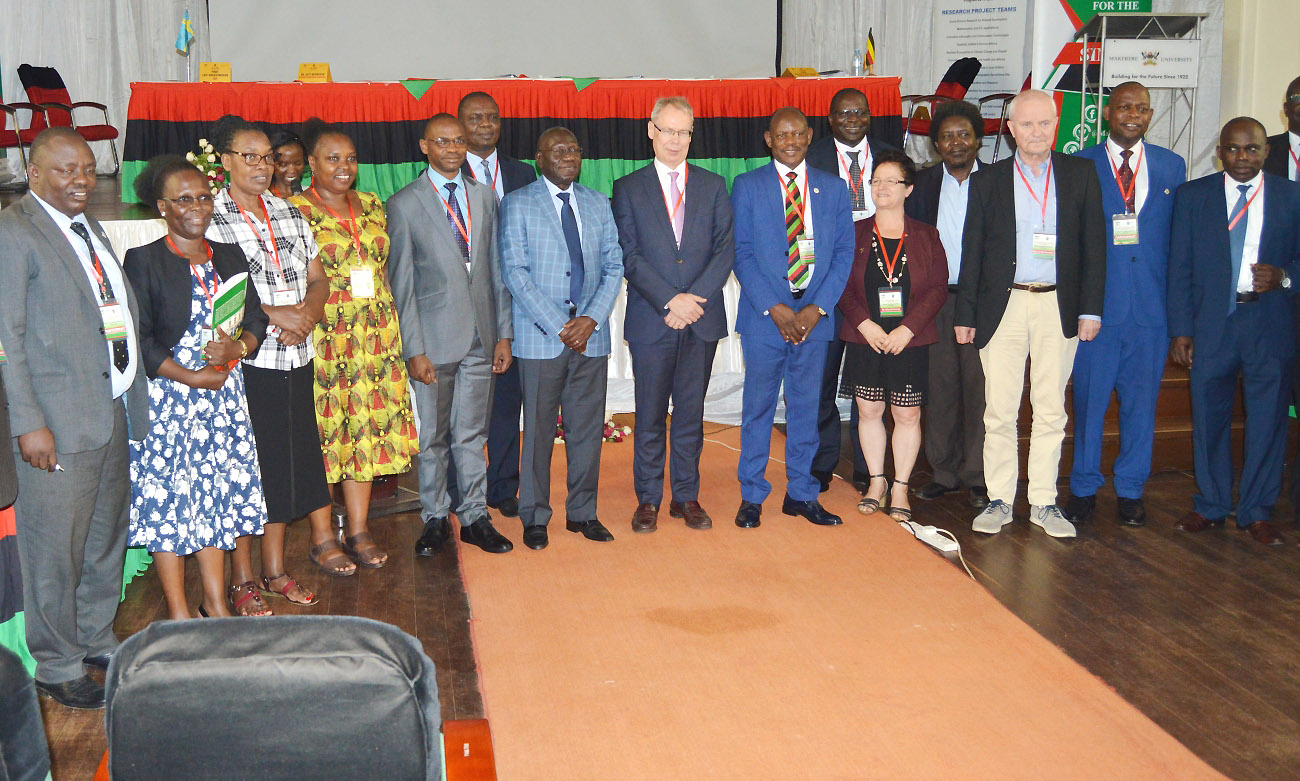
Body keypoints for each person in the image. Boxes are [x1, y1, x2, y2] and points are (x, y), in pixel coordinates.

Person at [0, 128, 148, 709]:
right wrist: (28, 422)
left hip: (109, 412)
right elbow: (5, 336)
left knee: (103, 539)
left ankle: (95, 638)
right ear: (33, 173)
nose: (80, 179)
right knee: (54, 549)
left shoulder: (88, 228)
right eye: (64, 170)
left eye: (87, 168)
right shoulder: (15, 232)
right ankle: (57, 664)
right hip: (55, 426)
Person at [124, 156, 270, 620]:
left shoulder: (228, 254)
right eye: (184, 199)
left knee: (217, 496)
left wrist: (237, 350)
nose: (197, 207)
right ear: (163, 207)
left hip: (224, 397)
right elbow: (139, 339)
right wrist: (192, 377)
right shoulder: (144, 260)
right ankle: (179, 613)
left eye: (204, 197)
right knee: (172, 501)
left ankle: (214, 603)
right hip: (172, 398)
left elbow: (256, 319)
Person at [956, 89, 1106, 539]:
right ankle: (1000, 498)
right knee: (998, 410)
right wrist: (966, 312)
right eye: (1026, 124)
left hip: (1058, 305)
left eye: (1044, 123)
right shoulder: (989, 181)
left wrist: (1091, 309)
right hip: (1002, 306)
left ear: (1056, 125)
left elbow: (1094, 249)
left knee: (1051, 409)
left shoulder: (1081, 174)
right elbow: (973, 252)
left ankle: (1043, 501)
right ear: (1011, 128)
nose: (1036, 132)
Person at [206, 115, 334, 613]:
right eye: (250, 157)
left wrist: (308, 312)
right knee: (249, 469)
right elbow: (216, 289)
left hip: (296, 356)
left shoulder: (289, 212)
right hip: (247, 362)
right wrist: (273, 314)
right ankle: (241, 581)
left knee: (286, 466)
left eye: (268, 158)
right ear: (225, 161)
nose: (263, 166)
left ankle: (275, 570)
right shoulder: (211, 216)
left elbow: (318, 277)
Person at [289, 120, 419, 566]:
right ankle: (323, 535)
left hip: (376, 338)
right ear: (311, 163)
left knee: (366, 430)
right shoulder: (293, 211)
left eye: (350, 159)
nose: (344, 167)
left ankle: (360, 530)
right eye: (332, 159)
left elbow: (383, 269)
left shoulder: (371, 205)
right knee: (325, 435)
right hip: (324, 340)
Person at [1167, 117, 1300, 546]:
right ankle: (1211, 504)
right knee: (1209, 419)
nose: (1243, 158)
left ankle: (1257, 511)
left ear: (1265, 151)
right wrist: (1181, 329)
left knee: (1268, 422)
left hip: (1268, 324)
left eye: (1252, 149)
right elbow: (1179, 268)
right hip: (1211, 326)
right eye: (1233, 149)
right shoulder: (1193, 196)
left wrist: (1283, 276)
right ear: (1218, 152)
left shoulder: (1291, 196)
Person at [388, 113, 514, 555]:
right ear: (425, 147)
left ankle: (476, 516)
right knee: (434, 438)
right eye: (442, 141)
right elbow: (401, 284)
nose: (453, 149)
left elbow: (495, 271)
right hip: (434, 343)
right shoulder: (405, 203)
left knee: (472, 434)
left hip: (482, 336)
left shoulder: (483, 197)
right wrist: (414, 349)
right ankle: (435, 517)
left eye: (459, 141)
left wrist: (504, 335)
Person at [1064, 82, 1186, 527]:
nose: (1132, 115)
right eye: (1123, 108)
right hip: (1097, 312)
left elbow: (1178, 242)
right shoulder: (1081, 164)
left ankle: (1131, 490)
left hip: (1151, 314)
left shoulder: (1173, 167)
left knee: (1141, 407)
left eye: (1141, 108)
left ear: (1150, 115)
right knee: (1090, 405)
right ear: (1107, 114)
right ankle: (1083, 488)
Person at [612, 96, 734, 533]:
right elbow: (629, 256)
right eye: (668, 130)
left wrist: (692, 301)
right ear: (651, 131)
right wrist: (670, 300)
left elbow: (725, 251)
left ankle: (686, 496)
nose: (676, 140)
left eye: (684, 132)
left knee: (689, 414)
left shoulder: (714, 185)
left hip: (700, 321)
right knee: (647, 416)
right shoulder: (628, 188)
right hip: (652, 320)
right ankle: (648, 499)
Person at [499, 127, 624, 550]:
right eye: (558, 150)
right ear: (539, 158)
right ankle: (534, 515)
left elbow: (614, 266)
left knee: (586, 430)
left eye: (573, 149)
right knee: (535, 431)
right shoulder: (517, 204)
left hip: (591, 336)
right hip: (541, 338)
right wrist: (560, 324)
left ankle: (582, 512)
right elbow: (515, 273)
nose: (568, 156)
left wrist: (589, 319)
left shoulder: (597, 203)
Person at [731, 107, 854, 529]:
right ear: (769, 139)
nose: (790, 141)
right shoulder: (747, 186)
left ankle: (802, 494)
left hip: (813, 320)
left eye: (798, 134)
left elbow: (842, 254)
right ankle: (752, 494)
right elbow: (741, 254)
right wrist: (775, 307)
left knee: (807, 408)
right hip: (766, 318)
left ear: (809, 136)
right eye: (782, 135)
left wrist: (816, 308)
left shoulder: (833, 189)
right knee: (758, 408)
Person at [839, 151, 948, 521]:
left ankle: (900, 486)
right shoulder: (853, 233)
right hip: (865, 337)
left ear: (909, 189)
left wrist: (907, 328)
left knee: (906, 414)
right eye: (876, 180)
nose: (882, 187)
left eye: (891, 181)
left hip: (908, 339)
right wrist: (864, 325)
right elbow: (841, 287)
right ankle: (876, 481)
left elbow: (937, 289)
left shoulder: (926, 236)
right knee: (868, 410)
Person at [446, 91, 537, 519]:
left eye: (492, 118)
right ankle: (458, 487)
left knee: (506, 402)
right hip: (464, 310)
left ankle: (503, 486)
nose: (485, 125)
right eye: (474, 118)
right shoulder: (445, 170)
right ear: (460, 125)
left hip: (515, 308)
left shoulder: (522, 172)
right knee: (462, 406)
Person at [807, 87, 900, 493]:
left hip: (878, 280)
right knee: (822, 378)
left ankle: (870, 466)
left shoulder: (890, 155)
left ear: (869, 115)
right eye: (843, 112)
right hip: (827, 282)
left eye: (859, 111)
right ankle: (822, 462)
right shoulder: (812, 158)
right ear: (830, 119)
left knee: (871, 379)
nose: (852, 118)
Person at [905, 99, 989, 510]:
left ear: (978, 139)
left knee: (978, 390)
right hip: (935, 302)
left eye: (964, 134)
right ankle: (943, 472)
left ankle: (976, 474)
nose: (956, 142)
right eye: (947, 136)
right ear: (936, 144)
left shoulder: (997, 183)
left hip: (983, 303)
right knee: (938, 390)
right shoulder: (921, 186)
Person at [1260, 75, 1300, 524]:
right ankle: (1262, 501)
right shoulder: (1258, 150)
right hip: (1267, 307)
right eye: (1297, 98)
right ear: (1285, 105)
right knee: (1268, 409)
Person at [268, 129, 306, 199]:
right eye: (283, 165)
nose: (292, 171)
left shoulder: (311, 193)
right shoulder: (264, 197)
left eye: (298, 164)